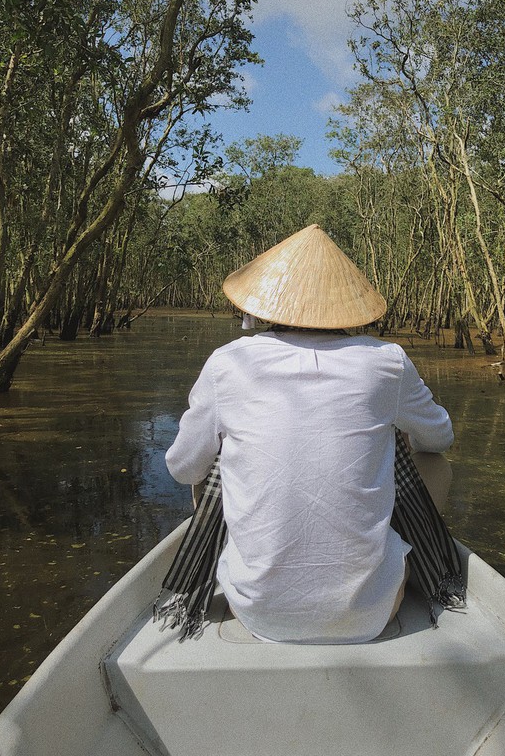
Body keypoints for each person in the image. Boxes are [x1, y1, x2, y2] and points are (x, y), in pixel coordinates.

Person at [165, 224, 454, 645]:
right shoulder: (386, 361)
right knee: (433, 461)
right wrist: (401, 444)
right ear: (345, 307)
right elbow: (440, 438)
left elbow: (181, 468)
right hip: (369, 614)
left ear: (265, 303)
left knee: (210, 464)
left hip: (256, 611)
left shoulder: (228, 363)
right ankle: (414, 564)